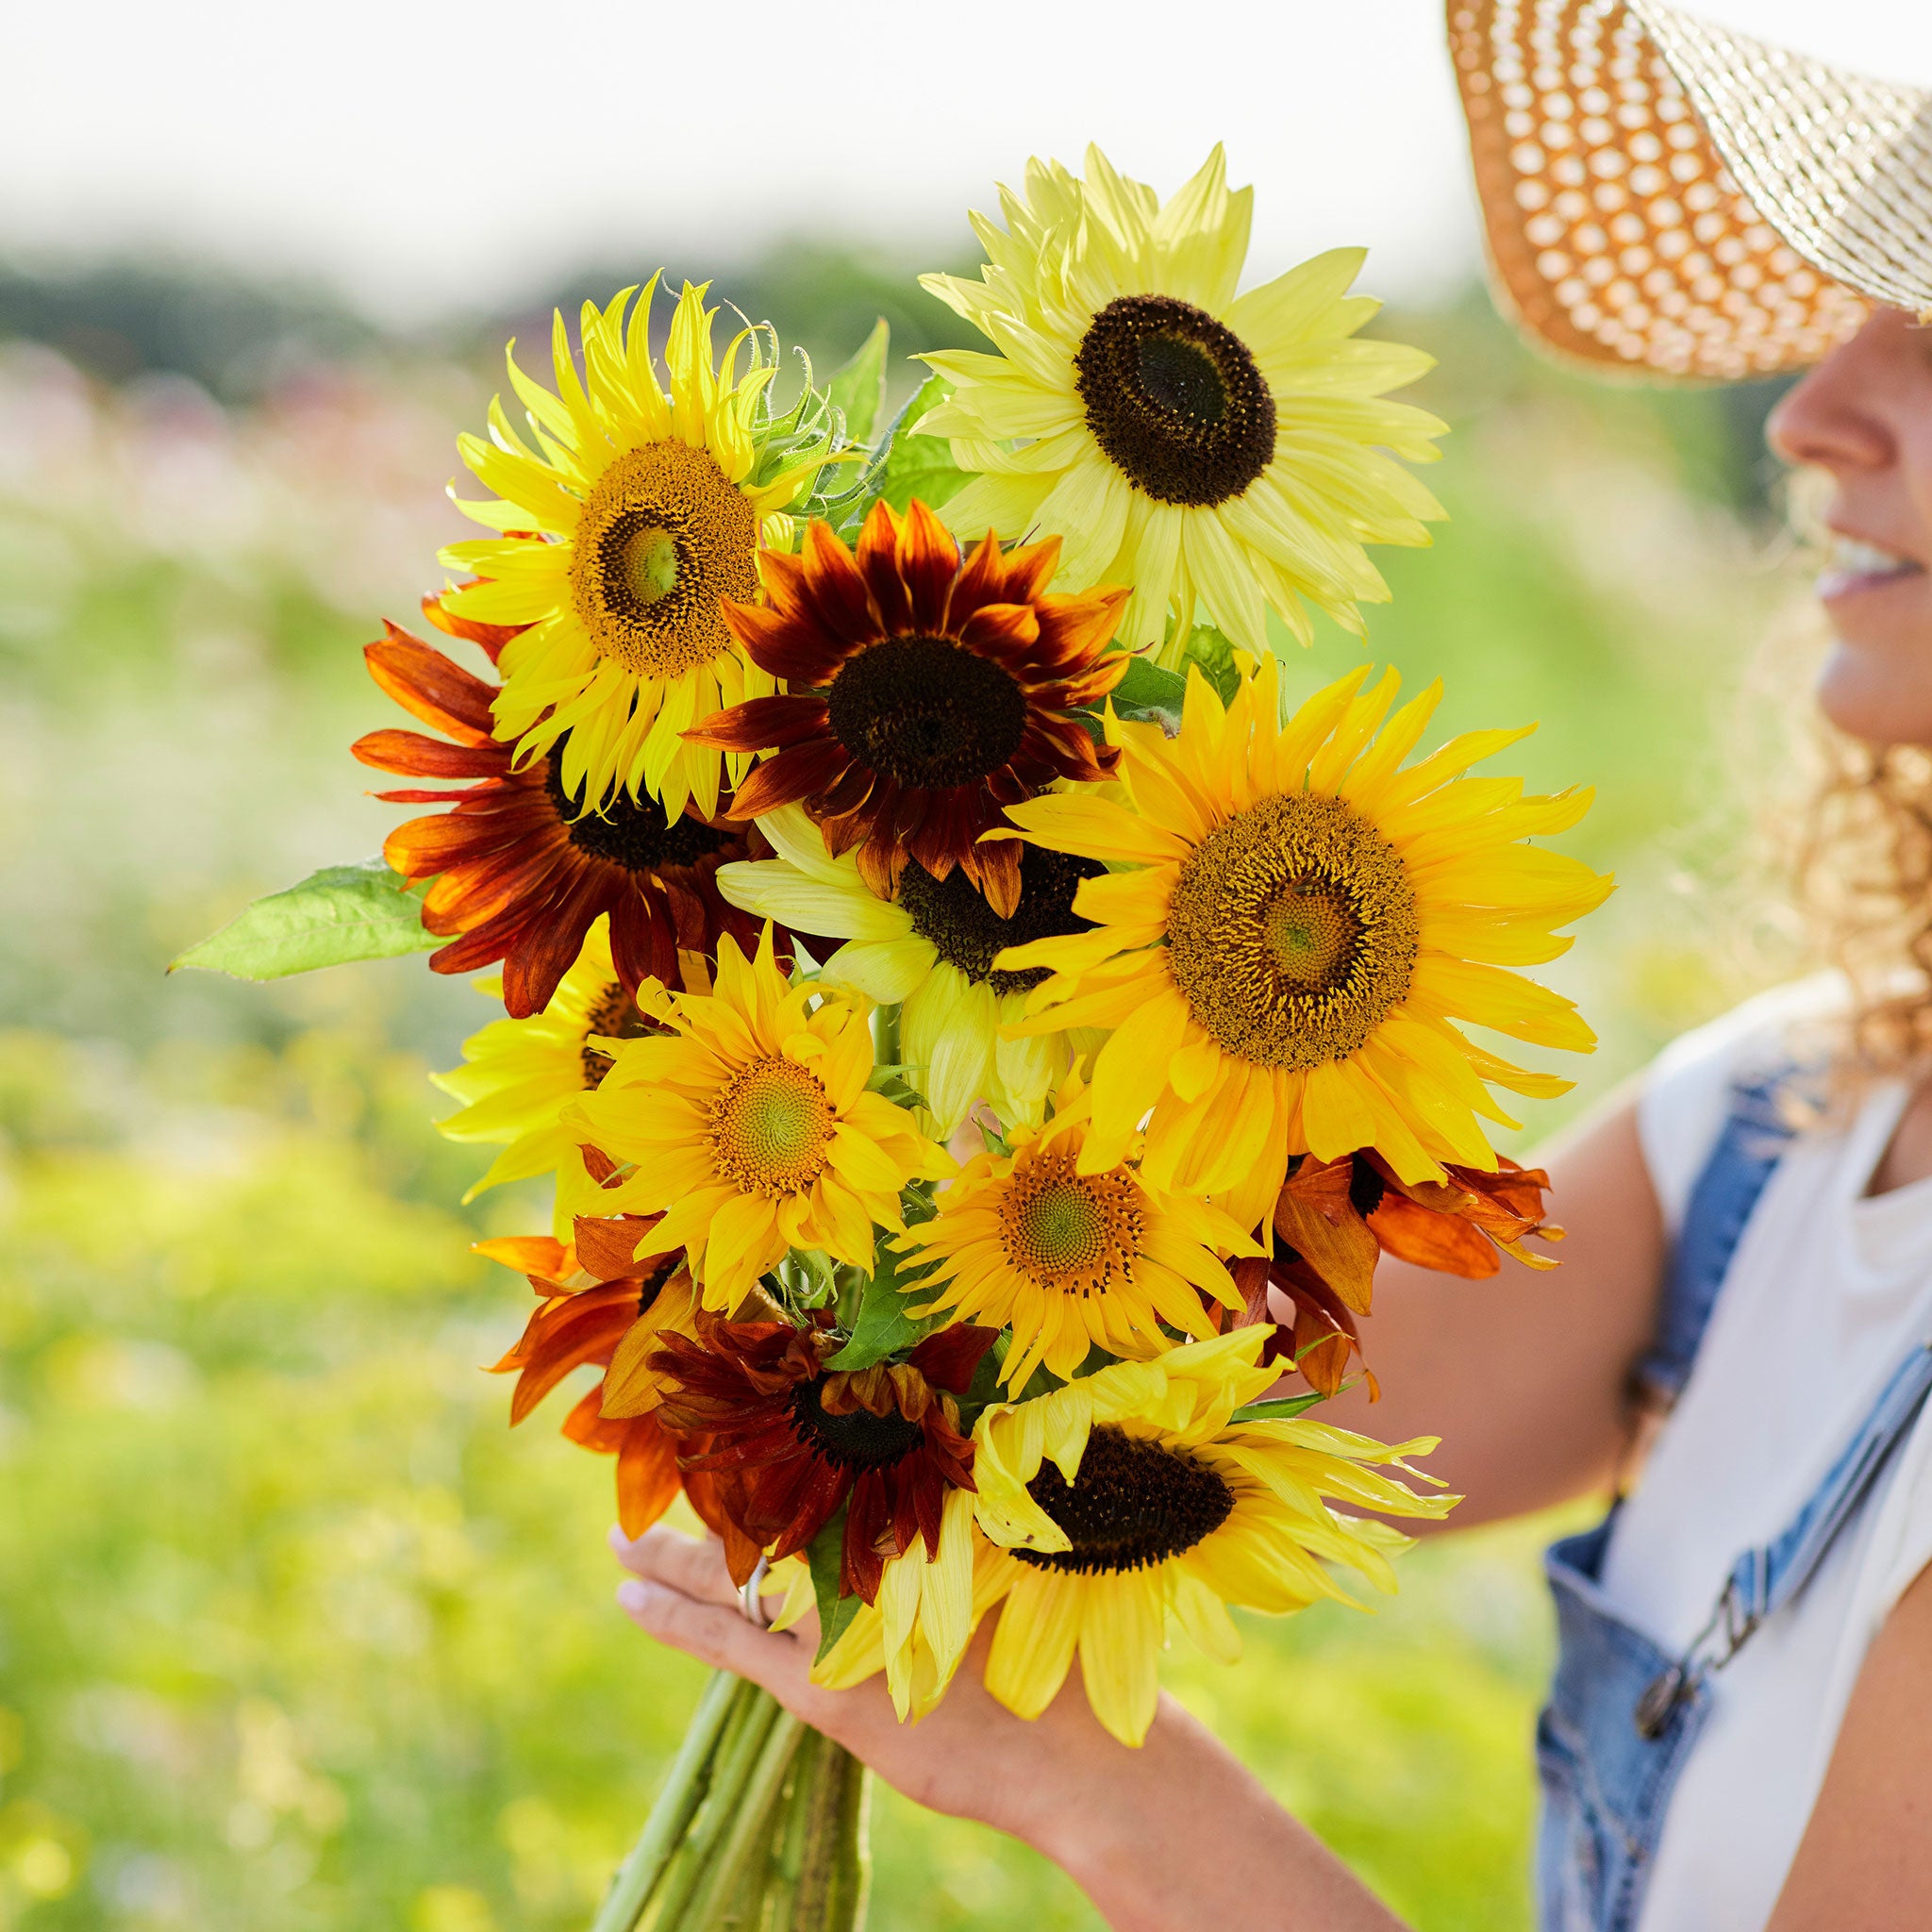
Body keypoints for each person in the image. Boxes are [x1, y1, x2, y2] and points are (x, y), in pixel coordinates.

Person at [608, 6, 1932, 1927]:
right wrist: (820, 1000)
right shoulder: (1790, 1126)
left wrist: (1102, 1791)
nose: (1815, 409)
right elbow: (1145, 1411)